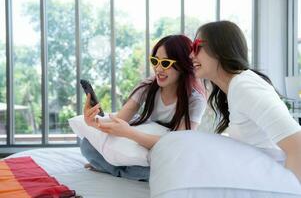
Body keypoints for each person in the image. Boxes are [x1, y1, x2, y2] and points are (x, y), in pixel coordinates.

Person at [81, 34, 207, 181]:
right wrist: (93, 122)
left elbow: (177, 144)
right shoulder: (148, 85)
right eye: (155, 61)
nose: (158, 69)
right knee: (87, 144)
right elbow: (120, 120)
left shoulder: (195, 99)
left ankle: (114, 169)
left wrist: (129, 133)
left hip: (170, 151)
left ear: (183, 65)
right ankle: (123, 170)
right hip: (144, 145)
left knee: (172, 167)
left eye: (165, 63)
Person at [190, 20, 301, 182]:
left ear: (220, 48)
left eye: (196, 47)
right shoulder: (235, 88)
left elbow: (297, 147)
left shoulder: (244, 87)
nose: (191, 55)